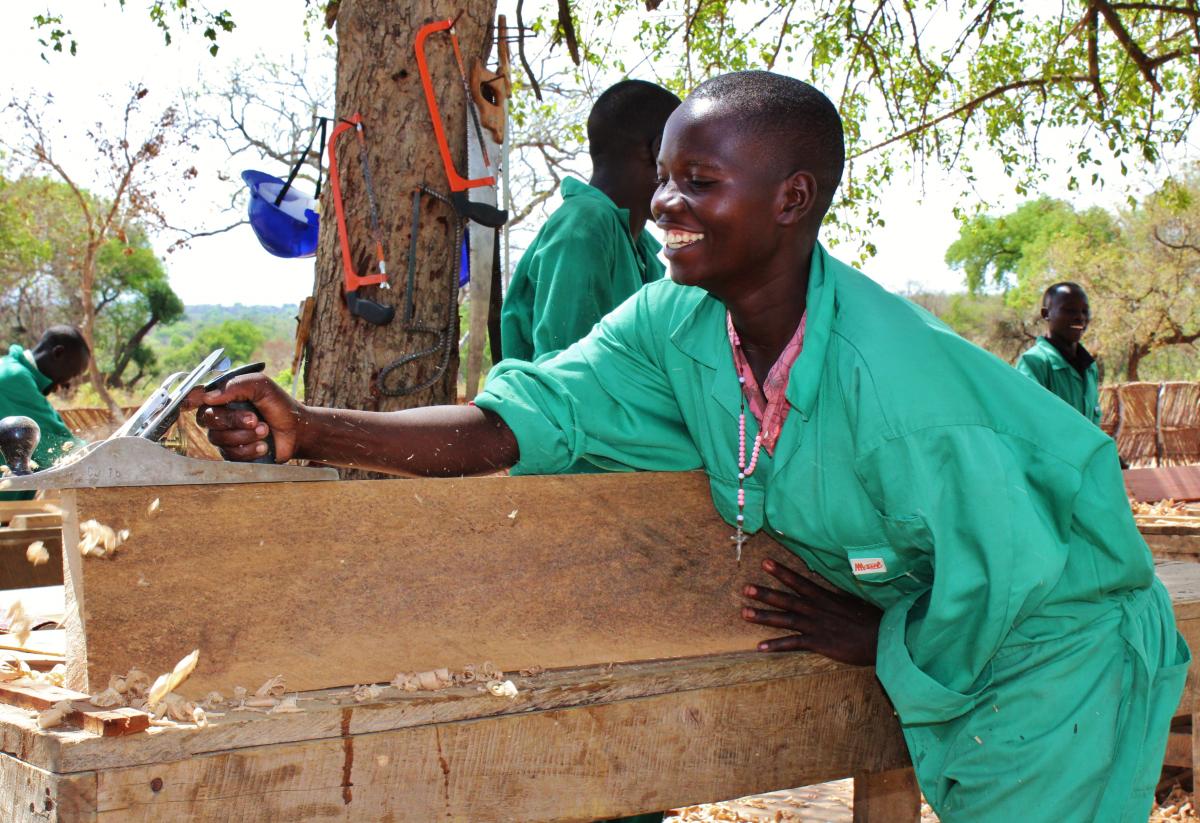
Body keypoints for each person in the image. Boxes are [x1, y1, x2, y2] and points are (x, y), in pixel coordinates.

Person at [194, 71, 1187, 822]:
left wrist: (882, 637)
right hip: (965, 627)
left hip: (1056, 653)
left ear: (791, 200)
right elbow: (521, 420)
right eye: (664, 179)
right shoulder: (677, 322)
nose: (663, 206)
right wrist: (312, 429)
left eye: (698, 183)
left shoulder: (903, 391)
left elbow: (1013, 580)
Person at [499, 79, 681, 361]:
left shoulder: (641, 248)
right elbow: (566, 375)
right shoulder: (584, 225)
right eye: (687, 157)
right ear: (657, 151)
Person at [0, 326, 89, 498]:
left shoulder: (13, 371)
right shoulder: (13, 378)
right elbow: (56, 446)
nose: (67, 384)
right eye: (72, 374)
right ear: (58, 354)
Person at [1016, 282, 1101, 424]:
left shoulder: (1090, 368)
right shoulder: (1034, 363)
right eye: (1069, 310)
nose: (1080, 317)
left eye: (1085, 311)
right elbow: (1027, 424)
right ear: (1046, 314)